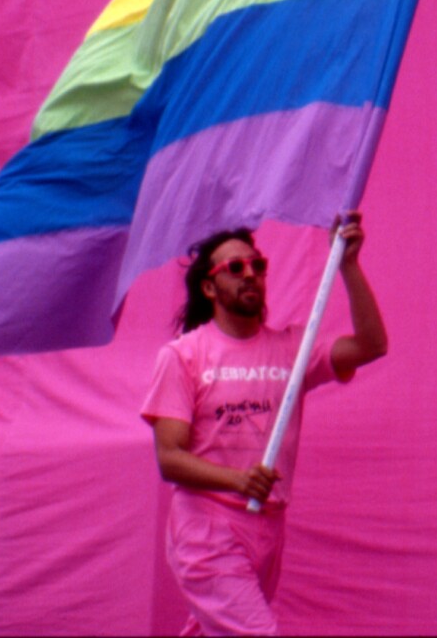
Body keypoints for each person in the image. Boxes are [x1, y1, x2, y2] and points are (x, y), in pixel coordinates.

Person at [141, 213, 387, 636]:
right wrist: (237, 480)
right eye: (234, 268)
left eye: (258, 265)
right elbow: (169, 459)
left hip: (269, 525)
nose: (250, 274)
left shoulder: (292, 348)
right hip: (207, 530)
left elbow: (371, 345)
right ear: (208, 286)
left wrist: (347, 264)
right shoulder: (183, 356)